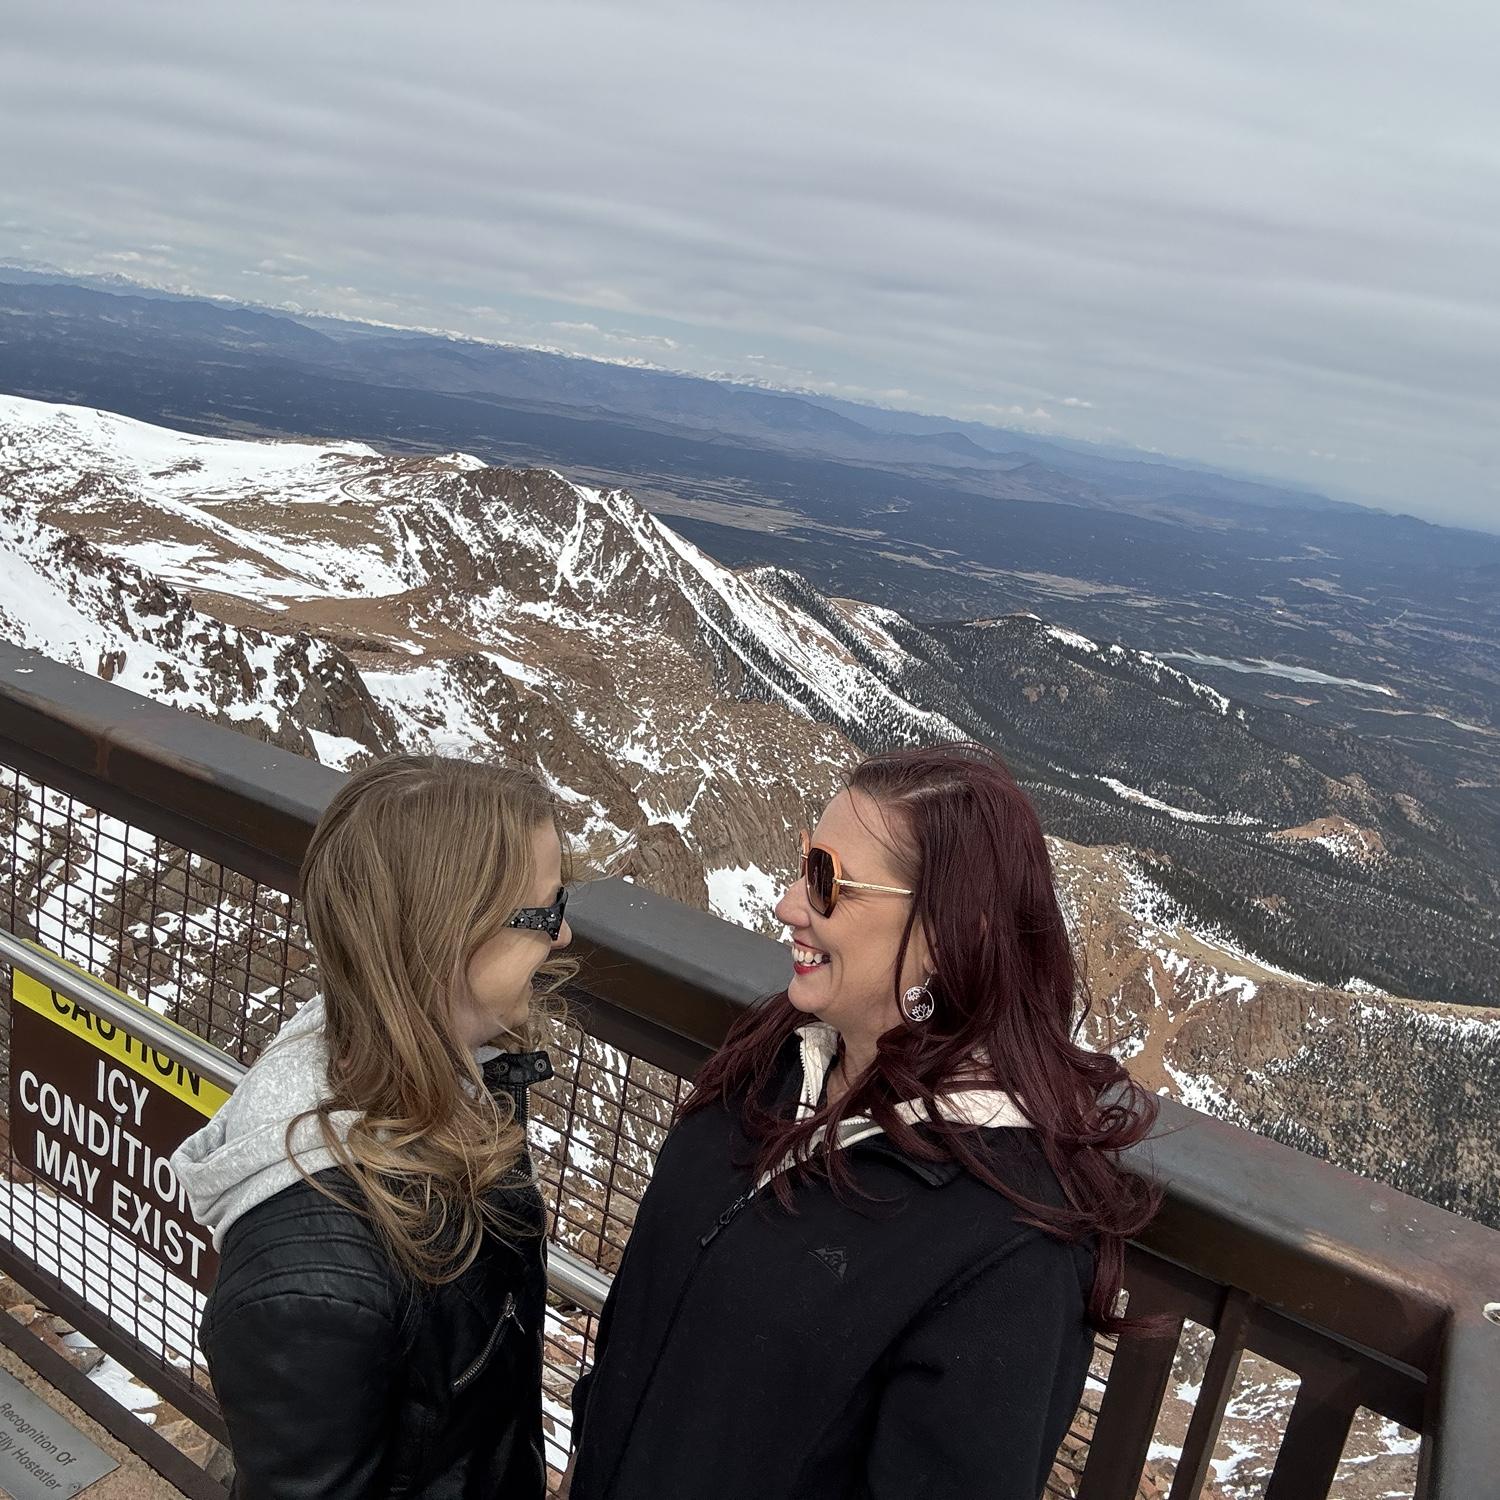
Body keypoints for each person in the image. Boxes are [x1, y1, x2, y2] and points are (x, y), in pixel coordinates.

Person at [566, 742, 1159, 1500]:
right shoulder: (778, 1060)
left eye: (828, 881)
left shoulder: (1011, 1249)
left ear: (949, 933)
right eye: (804, 862)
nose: (789, 905)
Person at [173, 755, 572, 1500]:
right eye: (544, 913)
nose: (565, 934)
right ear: (445, 934)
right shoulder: (315, 1289)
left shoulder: (449, 1076)